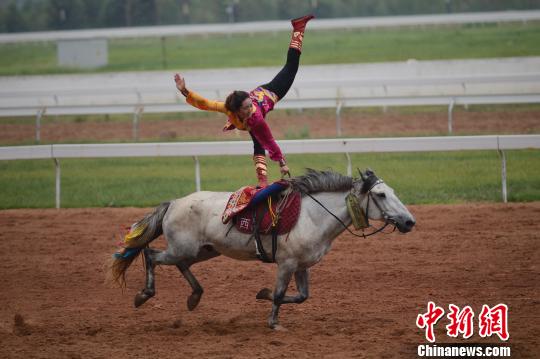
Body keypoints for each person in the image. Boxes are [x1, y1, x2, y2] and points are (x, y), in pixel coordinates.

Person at [174, 14, 314, 188]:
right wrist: (184, 91)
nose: (251, 109)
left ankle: (298, 28)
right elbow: (205, 103)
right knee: (256, 140)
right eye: (247, 107)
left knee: (291, 67)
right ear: (237, 109)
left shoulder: (256, 117)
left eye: (250, 106)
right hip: (254, 107)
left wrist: (281, 162)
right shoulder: (228, 109)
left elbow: (269, 140)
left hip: (270, 92)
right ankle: (262, 180)